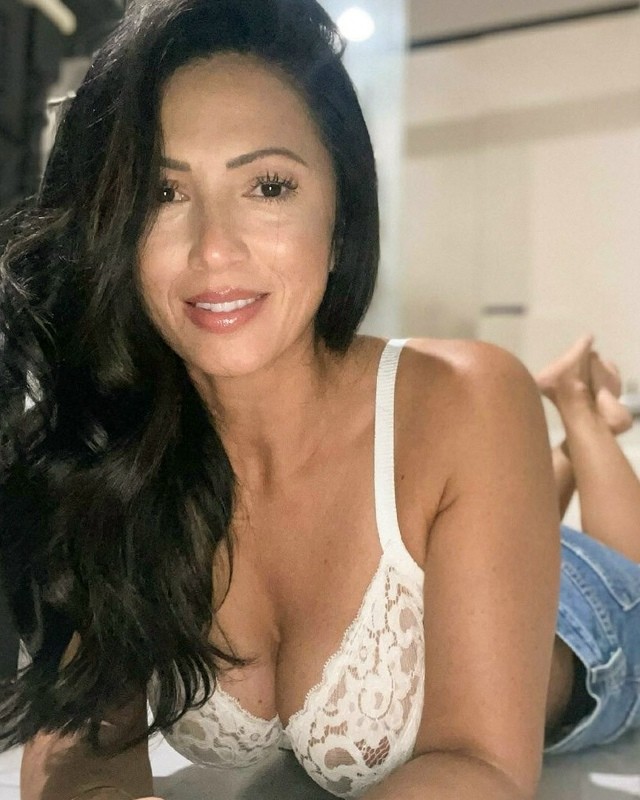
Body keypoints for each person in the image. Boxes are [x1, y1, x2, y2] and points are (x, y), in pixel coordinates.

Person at [1, 1, 639, 798]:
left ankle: (582, 417)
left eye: (268, 186)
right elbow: (80, 750)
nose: (214, 248)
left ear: (340, 223)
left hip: (594, 625)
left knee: (623, 569)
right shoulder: (116, 450)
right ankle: (560, 453)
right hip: (449, 535)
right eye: (163, 193)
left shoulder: (469, 394)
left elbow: (482, 764)